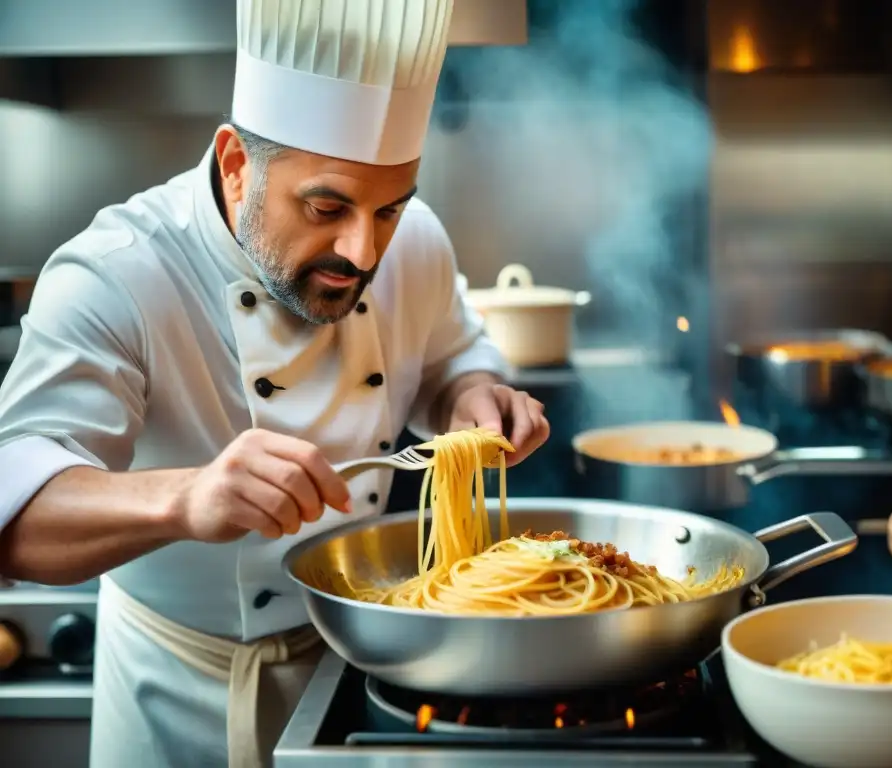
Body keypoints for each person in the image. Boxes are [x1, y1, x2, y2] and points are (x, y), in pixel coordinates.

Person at [0, 1, 549, 766]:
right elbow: (15, 520)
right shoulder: (118, 273)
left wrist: (471, 396)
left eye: (389, 208)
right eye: (326, 206)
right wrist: (185, 497)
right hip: (174, 697)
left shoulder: (414, 243)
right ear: (235, 163)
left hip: (364, 666)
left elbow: (453, 356)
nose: (363, 251)